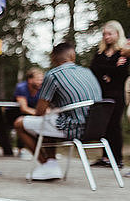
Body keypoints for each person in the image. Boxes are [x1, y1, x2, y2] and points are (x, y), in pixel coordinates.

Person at [14, 43, 102, 181]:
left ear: (53, 58)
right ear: (73, 55)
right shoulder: (88, 72)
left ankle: (47, 165)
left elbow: (40, 112)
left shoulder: (53, 75)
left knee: (20, 123)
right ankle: (50, 165)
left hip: (73, 128)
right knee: (50, 122)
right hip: (95, 128)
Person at [89, 20, 128, 168]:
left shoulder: (123, 52)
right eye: (104, 34)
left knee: (114, 125)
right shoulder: (100, 52)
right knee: (104, 125)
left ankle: (117, 159)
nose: (106, 37)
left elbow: (122, 73)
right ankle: (106, 157)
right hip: (102, 93)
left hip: (117, 94)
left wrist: (106, 72)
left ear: (118, 34)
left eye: (109, 33)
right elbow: (93, 69)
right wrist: (110, 71)